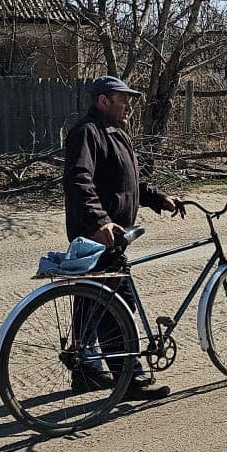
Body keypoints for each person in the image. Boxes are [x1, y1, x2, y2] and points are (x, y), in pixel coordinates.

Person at [64, 75, 185, 398]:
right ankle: (129, 378)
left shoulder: (116, 135)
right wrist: (100, 222)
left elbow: (128, 184)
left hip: (114, 235)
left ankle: (87, 371)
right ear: (103, 101)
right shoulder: (87, 133)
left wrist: (159, 199)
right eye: (123, 100)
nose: (129, 106)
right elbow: (79, 181)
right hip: (98, 235)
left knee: (95, 305)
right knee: (117, 304)